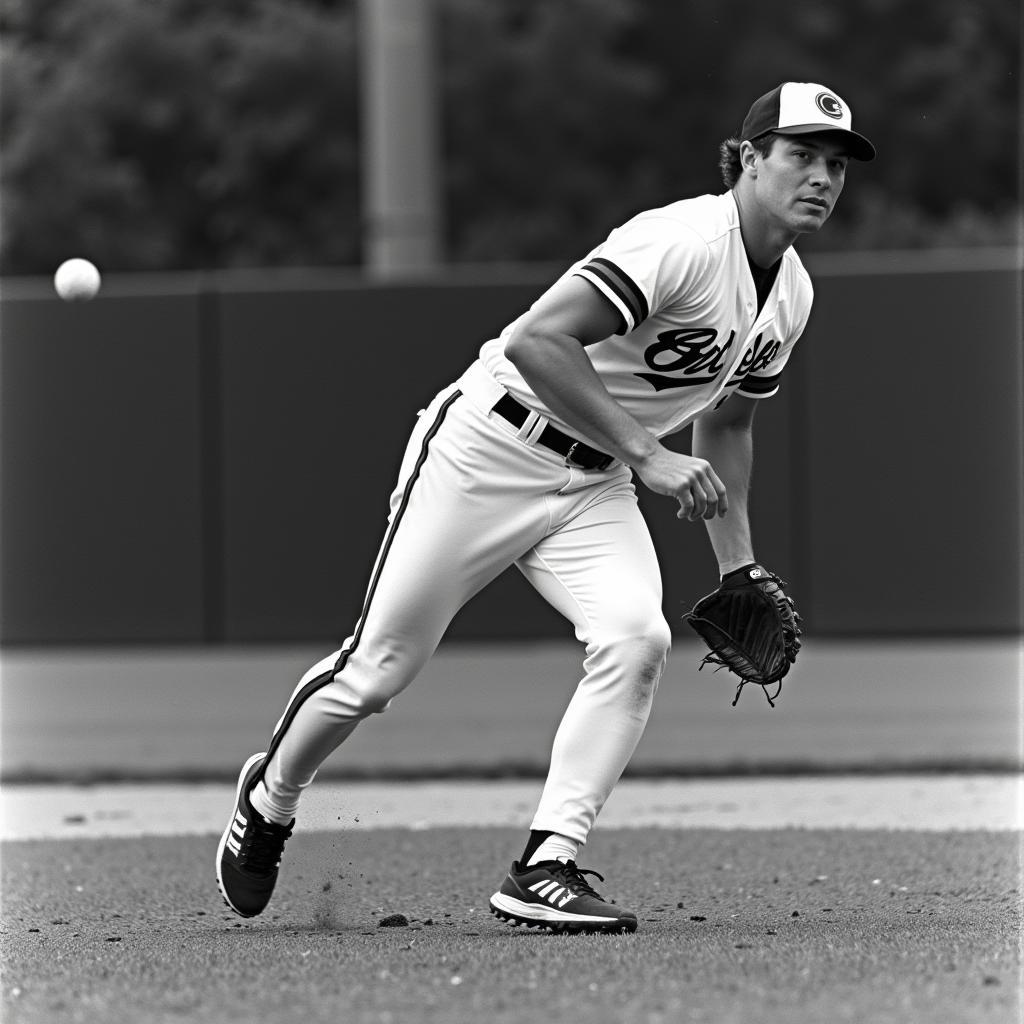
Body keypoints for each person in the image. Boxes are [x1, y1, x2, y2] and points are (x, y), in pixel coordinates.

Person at [216, 81, 875, 933]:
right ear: (749, 161)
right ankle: (270, 797)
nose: (821, 176)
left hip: (593, 482)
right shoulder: (680, 242)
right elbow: (536, 339)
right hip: (488, 447)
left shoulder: (792, 296)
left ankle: (547, 863)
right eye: (801, 155)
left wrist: (736, 564)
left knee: (636, 640)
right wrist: (647, 453)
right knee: (376, 672)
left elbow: (730, 422)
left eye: (835, 163)